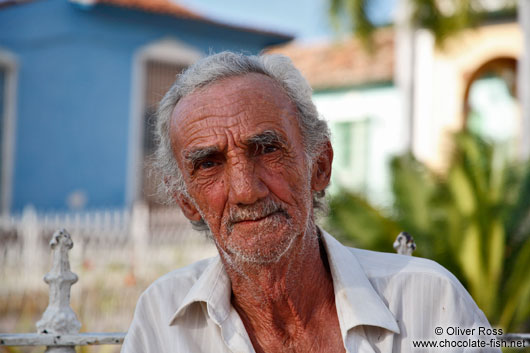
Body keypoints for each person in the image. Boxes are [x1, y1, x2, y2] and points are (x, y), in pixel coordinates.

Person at [122, 52, 500, 352]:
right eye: (208, 164)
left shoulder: (429, 300)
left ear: (320, 166)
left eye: (267, 149)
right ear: (187, 201)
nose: (245, 190)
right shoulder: (162, 315)